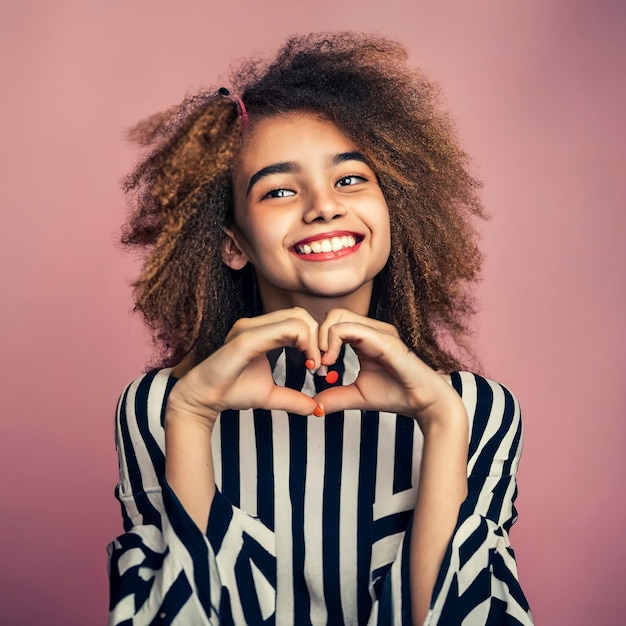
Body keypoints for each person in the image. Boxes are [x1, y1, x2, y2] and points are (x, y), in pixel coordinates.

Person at [107, 32, 533, 625]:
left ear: (394, 208)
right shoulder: (158, 408)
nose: (324, 206)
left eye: (351, 179)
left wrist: (441, 424)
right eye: (280, 189)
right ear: (232, 244)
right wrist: (192, 417)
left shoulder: (476, 411)